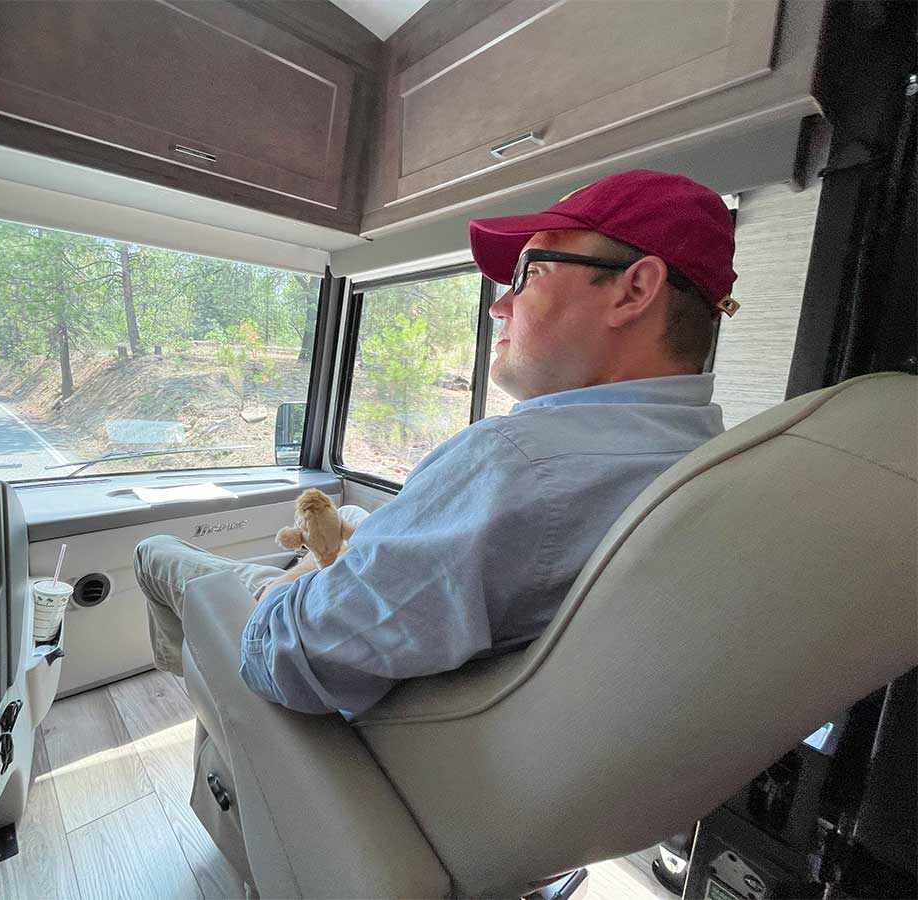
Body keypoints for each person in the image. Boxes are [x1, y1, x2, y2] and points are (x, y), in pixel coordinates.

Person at [134, 168, 740, 717]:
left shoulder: (518, 460)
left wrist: (295, 586)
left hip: (293, 662)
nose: (499, 307)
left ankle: (222, 715)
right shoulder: (708, 461)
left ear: (633, 292)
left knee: (155, 551)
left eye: (529, 275)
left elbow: (290, 655)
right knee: (346, 515)